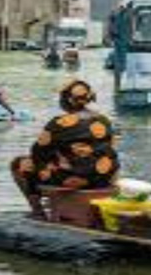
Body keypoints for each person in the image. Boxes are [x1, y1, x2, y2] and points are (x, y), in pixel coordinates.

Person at [11, 80, 120, 219]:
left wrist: (54, 160)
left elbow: (37, 152)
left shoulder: (60, 122)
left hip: (76, 178)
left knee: (19, 164)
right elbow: (109, 146)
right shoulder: (104, 119)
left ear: (67, 101)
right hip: (105, 176)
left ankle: (38, 211)